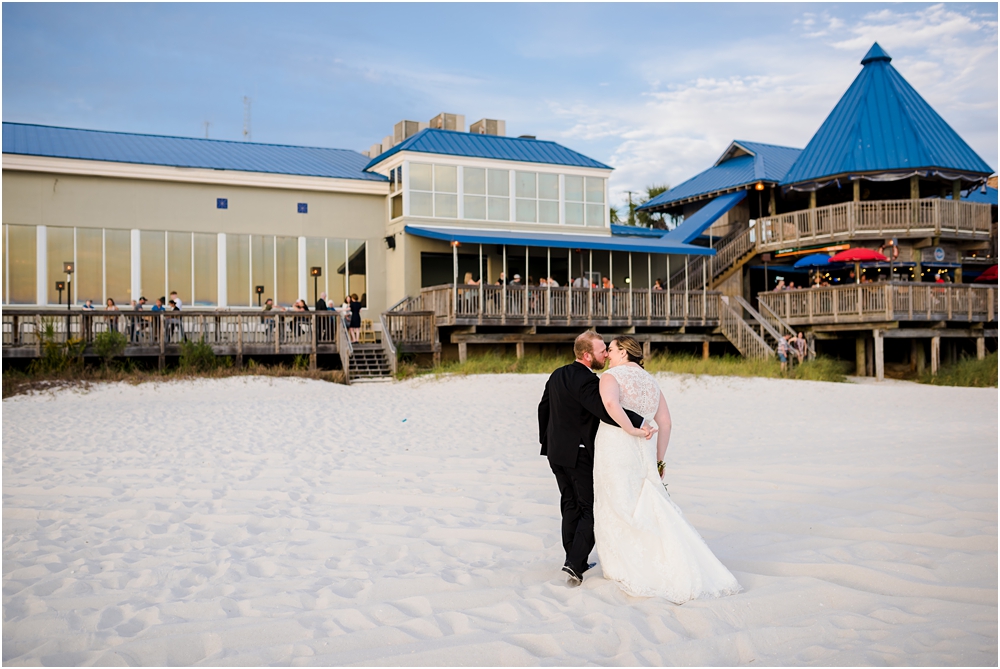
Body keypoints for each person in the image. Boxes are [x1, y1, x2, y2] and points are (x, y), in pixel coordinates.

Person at [594, 335, 742, 603]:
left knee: (617, 502)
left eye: (612, 350)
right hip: (647, 451)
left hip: (618, 445)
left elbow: (610, 405)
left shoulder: (610, 377)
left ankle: (624, 567)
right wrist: (659, 461)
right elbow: (666, 423)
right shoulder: (652, 382)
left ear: (625, 353)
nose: (607, 355)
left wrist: (630, 429)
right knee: (648, 502)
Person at [537, 331, 653, 587]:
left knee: (569, 503)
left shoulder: (557, 374)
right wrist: (640, 422)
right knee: (590, 507)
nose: (606, 354)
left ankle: (573, 556)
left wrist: (546, 440)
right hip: (577, 454)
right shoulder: (588, 381)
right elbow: (605, 410)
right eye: (602, 351)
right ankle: (575, 563)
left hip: (555, 453)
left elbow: (543, 408)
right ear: (588, 355)